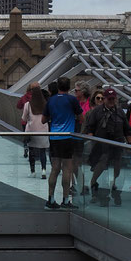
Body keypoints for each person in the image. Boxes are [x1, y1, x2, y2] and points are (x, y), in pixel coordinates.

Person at [83, 87, 130, 206]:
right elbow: (89, 128)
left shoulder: (119, 112)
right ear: (104, 99)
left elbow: (127, 130)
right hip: (101, 146)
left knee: (118, 167)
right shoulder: (97, 111)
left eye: (113, 99)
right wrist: (91, 143)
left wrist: (130, 146)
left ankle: (115, 189)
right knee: (101, 166)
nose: (111, 101)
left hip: (117, 145)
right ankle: (95, 186)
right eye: (108, 99)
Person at [42, 76, 83, 209]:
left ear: (58, 86)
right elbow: (81, 118)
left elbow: (43, 120)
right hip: (67, 138)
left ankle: (50, 199)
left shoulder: (51, 100)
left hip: (54, 137)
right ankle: (65, 201)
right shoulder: (72, 100)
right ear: (69, 86)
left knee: (55, 169)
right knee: (67, 169)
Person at [21, 83, 49, 179]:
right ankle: (44, 170)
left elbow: (24, 119)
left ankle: (33, 171)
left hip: (31, 131)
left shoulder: (28, 105)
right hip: (43, 130)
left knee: (31, 152)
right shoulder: (46, 104)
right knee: (42, 152)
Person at [17, 83, 36, 158]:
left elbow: (18, 106)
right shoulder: (37, 98)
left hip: (25, 121)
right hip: (34, 121)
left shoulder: (23, 97)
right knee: (34, 137)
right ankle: (33, 151)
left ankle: (25, 147)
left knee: (26, 136)